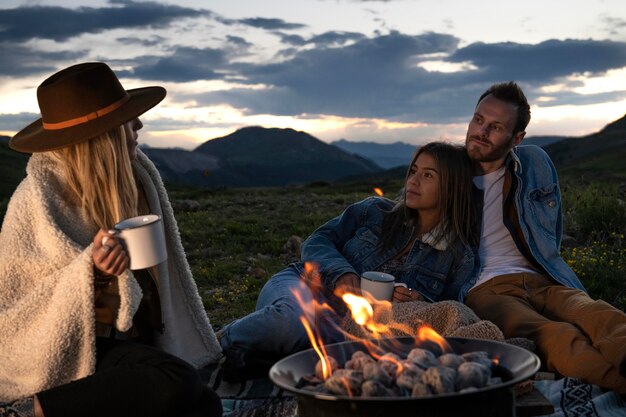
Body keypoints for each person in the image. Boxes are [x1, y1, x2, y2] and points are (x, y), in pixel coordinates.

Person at [0, 63, 223, 416]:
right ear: (103, 133)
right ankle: (28, 411)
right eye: (128, 119)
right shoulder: (38, 201)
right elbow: (19, 313)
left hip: (121, 343)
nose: (139, 125)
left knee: (205, 404)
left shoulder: (134, 179)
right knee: (174, 379)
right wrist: (93, 271)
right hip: (60, 352)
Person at [217, 141, 479, 381]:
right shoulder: (375, 211)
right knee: (292, 320)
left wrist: (418, 301)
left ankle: (254, 357)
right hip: (303, 284)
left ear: (451, 188)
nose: (413, 180)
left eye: (428, 175)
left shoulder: (457, 256)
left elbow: (450, 309)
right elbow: (317, 241)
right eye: (413, 171)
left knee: (351, 352)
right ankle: (211, 342)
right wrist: (341, 273)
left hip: (348, 323)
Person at [460, 81, 626, 393]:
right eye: (478, 120)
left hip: (543, 277)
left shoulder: (535, 163)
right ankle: (616, 383)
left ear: (516, 138)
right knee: (554, 335)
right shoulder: (448, 174)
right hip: (486, 289)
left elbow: (553, 227)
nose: (481, 131)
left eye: (495, 127)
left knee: (598, 313)